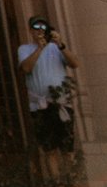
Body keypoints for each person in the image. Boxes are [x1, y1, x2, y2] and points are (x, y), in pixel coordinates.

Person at [17, 16, 78, 171]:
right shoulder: (25, 49)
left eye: (43, 28)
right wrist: (39, 48)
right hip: (40, 106)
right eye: (36, 28)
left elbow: (74, 63)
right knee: (49, 149)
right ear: (30, 30)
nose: (40, 31)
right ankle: (56, 186)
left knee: (67, 147)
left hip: (61, 103)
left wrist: (61, 45)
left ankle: (71, 183)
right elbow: (26, 68)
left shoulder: (56, 48)